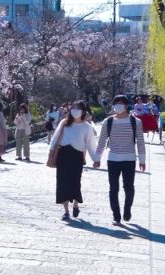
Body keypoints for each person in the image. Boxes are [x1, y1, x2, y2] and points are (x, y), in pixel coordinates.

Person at [93, 95, 147, 225]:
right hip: (113, 159)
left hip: (129, 159)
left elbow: (140, 141)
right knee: (113, 188)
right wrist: (97, 158)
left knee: (128, 187)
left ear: (127, 105)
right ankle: (116, 215)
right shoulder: (108, 121)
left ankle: (127, 209)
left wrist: (142, 160)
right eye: (116, 103)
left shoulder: (136, 122)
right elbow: (102, 141)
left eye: (121, 103)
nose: (118, 106)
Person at [48, 101, 100, 221]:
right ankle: (66, 211)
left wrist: (96, 159)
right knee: (62, 182)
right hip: (63, 154)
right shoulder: (64, 123)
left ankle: (76, 203)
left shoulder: (87, 127)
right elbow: (55, 138)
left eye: (78, 108)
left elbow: (91, 144)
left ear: (83, 111)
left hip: (77, 156)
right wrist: (50, 152)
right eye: (73, 108)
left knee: (75, 182)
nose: (75, 110)